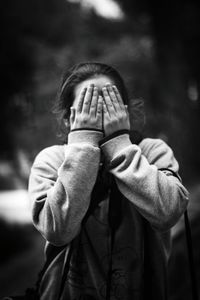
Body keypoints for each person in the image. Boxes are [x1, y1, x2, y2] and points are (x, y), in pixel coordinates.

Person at [28, 62, 189, 300]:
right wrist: (83, 143)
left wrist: (119, 145)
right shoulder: (52, 160)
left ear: (124, 112)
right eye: (87, 105)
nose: (99, 113)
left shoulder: (153, 153)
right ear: (67, 119)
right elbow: (57, 230)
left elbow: (168, 212)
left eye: (109, 102)